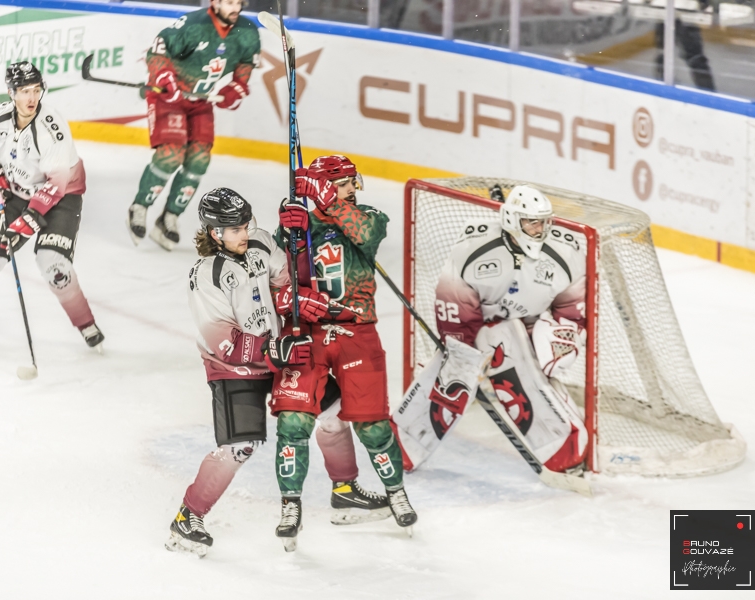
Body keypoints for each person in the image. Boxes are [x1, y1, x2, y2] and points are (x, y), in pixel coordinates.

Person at [166, 187, 387, 558]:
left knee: (334, 411)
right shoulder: (205, 276)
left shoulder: (262, 243)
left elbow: (291, 283)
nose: (244, 233)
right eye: (235, 229)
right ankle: (187, 518)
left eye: (246, 225)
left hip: (279, 353)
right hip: (233, 368)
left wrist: (296, 241)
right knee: (240, 447)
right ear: (215, 233)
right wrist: (272, 350)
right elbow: (223, 342)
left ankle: (345, 491)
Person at [270, 155, 417, 550]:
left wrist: (328, 200)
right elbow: (277, 280)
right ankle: (290, 505)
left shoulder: (368, 217)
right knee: (293, 421)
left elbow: (366, 234)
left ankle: (396, 493)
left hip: (357, 331)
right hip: (308, 332)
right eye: (343, 183)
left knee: (373, 424)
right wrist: (289, 240)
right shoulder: (300, 223)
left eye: (354, 182)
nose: (353, 189)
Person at [426, 184, 588, 472]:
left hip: (525, 329)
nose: (540, 229)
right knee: (458, 372)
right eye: (532, 222)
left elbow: (573, 307)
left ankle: (564, 445)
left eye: (544, 222)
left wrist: (564, 335)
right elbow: (455, 299)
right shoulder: (475, 248)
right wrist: (464, 350)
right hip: (479, 326)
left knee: (522, 357)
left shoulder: (564, 253)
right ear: (513, 220)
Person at [0, 62, 104, 349]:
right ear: (11, 92)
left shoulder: (50, 129)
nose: (32, 98)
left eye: (36, 90)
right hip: (17, 194)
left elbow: (56, 184)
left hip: (63, 196)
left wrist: (29, 219)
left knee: (53, 264)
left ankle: (86, 324)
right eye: (24, 91)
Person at [127, 0, 259, 251]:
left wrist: (237, 87)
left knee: (199, 159)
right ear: (215, 2)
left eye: (239, 3)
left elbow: (245, 63)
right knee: (172, 154)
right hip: (168, 97)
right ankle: (140, 206)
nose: (235, 8)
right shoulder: (193, 25)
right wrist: (165, 77)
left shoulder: (247, 31)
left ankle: (169, 217)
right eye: (229, 2)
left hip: (200, 100)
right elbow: (157, 52)